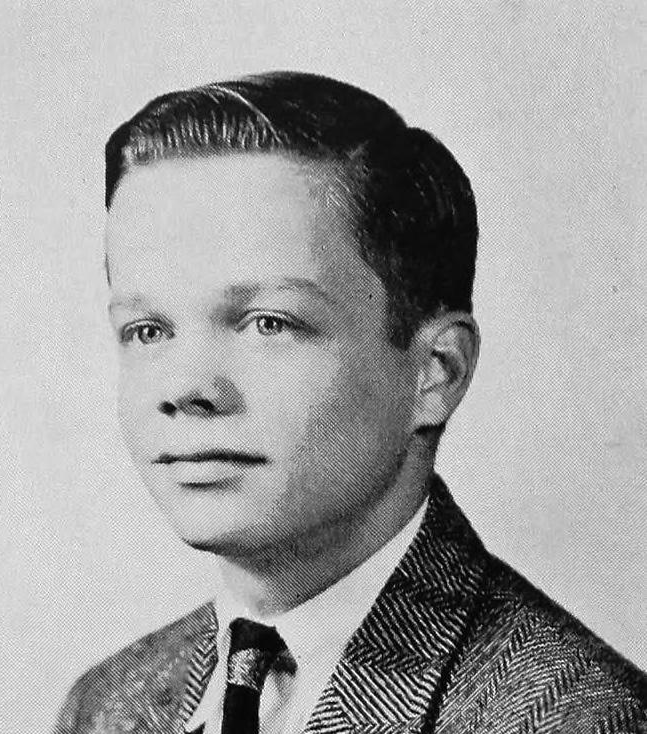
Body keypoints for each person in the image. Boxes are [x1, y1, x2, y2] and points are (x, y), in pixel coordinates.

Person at [54, 71, 646, 733]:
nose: (185, 390)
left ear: (435, 373)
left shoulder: (574, 717)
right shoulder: (107, 705)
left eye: (269, 323)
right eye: (148, 331)